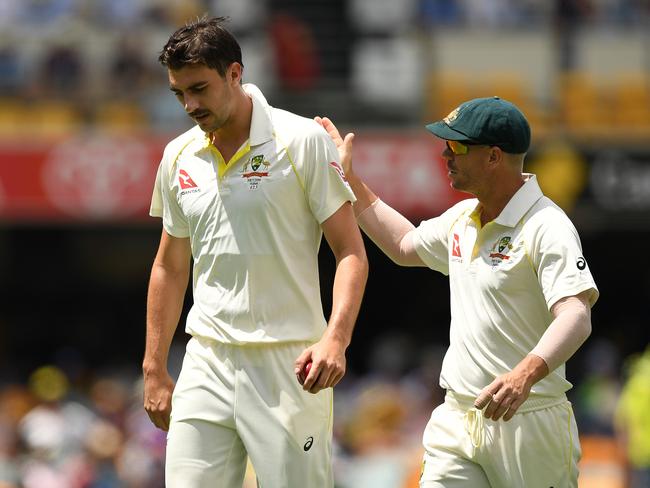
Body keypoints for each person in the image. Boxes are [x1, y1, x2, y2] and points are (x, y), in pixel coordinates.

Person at [316, 96, 599, 488]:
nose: (446, 154)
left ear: (494, 157)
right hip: (459, 416)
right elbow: (404, 245)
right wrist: (351, 178)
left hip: (528, 420)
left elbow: (575, 314)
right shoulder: (463, 219)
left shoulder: (547, 226)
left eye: (458, 146)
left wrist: (524, 375)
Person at [142, 16, 368, 488]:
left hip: (290, 363)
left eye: (199, 88)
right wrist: (155, 367)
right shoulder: (178, 156)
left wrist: (336, 339)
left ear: (235, 73)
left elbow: (350, 251)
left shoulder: (301, 139)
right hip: (206, 358)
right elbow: (169, 264)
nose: (190, 104)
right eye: (179, 93)